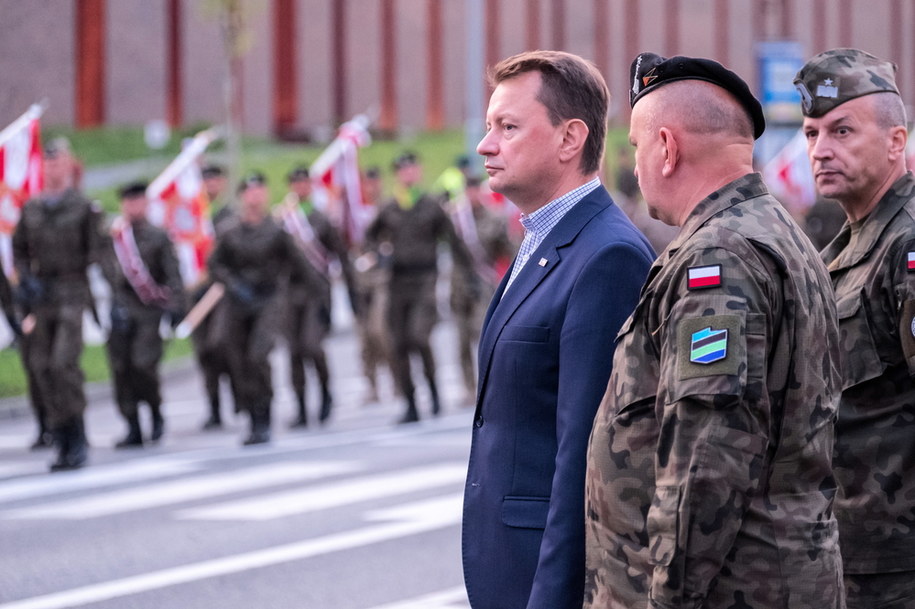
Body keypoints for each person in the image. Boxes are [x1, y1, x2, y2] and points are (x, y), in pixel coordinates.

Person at [584, 53, 844, 609]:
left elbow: (707, 458)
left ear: (668, 148)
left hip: (733, 590)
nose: (635, 164)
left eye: (635, 146)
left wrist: (668, 599)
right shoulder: (778, 233)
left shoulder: (718, 256)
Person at [461, 50, 655, 609]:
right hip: (509, 564)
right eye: (490, 126)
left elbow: (586, 459)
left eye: (508, 126)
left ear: (570, 139)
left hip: (544, 578)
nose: (485, 144)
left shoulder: (605, 256)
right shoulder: (545, 238)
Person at [795, 48, 915, 608]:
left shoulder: (907, 244)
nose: (822, 150)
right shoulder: (846, 245)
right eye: (812, 133)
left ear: (896, 141)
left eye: (842, 131)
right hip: (854, 553)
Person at [12, 140, 106, 471]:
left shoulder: (83, 208)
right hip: (42, 296)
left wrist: (114, 297)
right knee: (40, 367)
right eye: (48, 164)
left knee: (63, 364)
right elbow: (19, 249)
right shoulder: (32, 208)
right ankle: (60, 436)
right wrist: (26, 278)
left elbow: (100, 254)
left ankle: (77, 437)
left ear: (69, 166)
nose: (53, 169)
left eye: (58, 162)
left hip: (72, 292)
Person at [364, 152, 476, 423]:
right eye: (402, 170)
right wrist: (378, 255)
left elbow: (454, 241)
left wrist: (471, 276)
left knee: (418, 337)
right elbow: (369, 237)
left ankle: (434, 391)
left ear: (419, 171)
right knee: (398, 343)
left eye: (412, 168)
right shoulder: (389, 208)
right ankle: (411, 403)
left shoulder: (430, 206)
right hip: (397, 282)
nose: (408, 174)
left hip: (425, 280)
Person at [208, 172, 319, 445]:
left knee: (258, 355)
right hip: (239, 303)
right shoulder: (230, 231)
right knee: (238, 358)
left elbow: (302, 266)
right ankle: (252, 415)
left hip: (268, 301)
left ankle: (264, 416)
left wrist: (322, 298)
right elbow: (214, 265)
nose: (255, 196)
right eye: (249, 191)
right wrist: (232, 284)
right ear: (242, 197)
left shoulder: (277, 231)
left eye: (260, 190)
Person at [101, 182, 185, 447]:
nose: (132, 206)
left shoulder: (158, 236)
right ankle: (133, 425)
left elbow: (173, 275)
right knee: (121, 370)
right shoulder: (113, 235)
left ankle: (156, 413)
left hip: (148, 313)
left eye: (137, 201)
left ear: (146, 204)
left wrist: (176, 308)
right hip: (120, 311)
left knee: (143, 366)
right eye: (127, 201)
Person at [277, 165, 358, 427]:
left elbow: (340, 257)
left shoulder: (321, 220)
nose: (300, 188)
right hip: (290, 293)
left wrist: (351, 291)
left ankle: (325, 392)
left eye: (304, 184)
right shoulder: (283, 220)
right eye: (295, 183)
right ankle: (300, 406)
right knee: (294, 351)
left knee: (312, 345)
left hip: (317, 293)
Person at [447, 175, 514, 401]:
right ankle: (468, 387)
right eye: (469, 190)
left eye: (476, 189)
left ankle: (491, 385)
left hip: (483, 287)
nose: (472, 194)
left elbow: (509, 250)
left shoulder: (494, 218)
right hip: (459, 287)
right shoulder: (455, 218)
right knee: (462, 338)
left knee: (483, 334)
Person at [193, 163, 235, 430]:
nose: (210, 185)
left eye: (215, 179)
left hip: (223, 292)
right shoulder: (192, 215)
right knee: (204, 351)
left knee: (223, 346)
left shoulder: (228, 216)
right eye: (206, 180)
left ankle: (241, 398)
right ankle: (214, 408)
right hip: (197, 290)